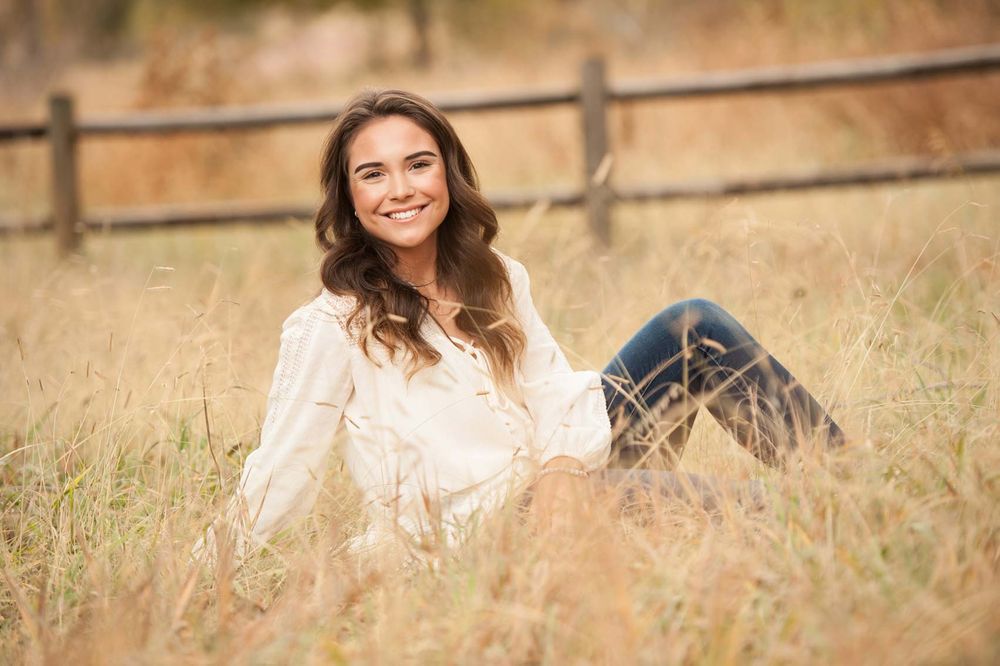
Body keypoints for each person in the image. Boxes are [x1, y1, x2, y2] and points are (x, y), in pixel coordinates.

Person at [194, 88, 845, 568]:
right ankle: (842, 520)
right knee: (750, 511)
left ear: (447, 172)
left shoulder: (497, 276)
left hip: (563, 478)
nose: (400, 188)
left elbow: (554, 392)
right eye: (373, 174)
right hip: (479, 535)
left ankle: (851, 486)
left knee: (692, 325)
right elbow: (281, 471)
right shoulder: (331, 327)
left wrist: (562, 469)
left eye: (418, 164)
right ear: (350, 198)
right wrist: (198, 575)